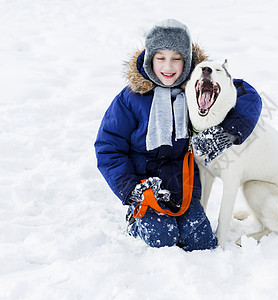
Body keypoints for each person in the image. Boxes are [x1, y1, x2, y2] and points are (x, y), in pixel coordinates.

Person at [94, 19, 262, 251]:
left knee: (201, 242)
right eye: (160, 58)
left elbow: (247, 94)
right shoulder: (130, 98)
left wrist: (226, 133)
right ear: (149, 59)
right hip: (146, 189)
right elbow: (108, 147)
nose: (168, 67)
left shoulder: (197, 84)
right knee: (163, 238)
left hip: (183, 187)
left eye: (176, 58)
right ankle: (135, 221)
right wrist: (131, 189)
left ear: (187, 60)